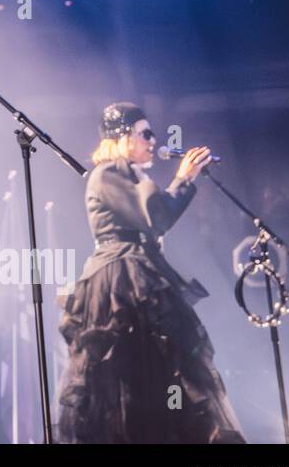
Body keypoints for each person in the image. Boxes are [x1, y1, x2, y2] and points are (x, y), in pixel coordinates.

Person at [55, 102, 245, 443]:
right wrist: (184, 178)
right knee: (129, 378)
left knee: (163, 379)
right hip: (119, 283)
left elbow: (156, 222)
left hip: (137, 273)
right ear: (123, 137)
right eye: (145, 133)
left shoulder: (129, 174)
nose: (153, 140)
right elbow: (157, 215)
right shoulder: (109, 172)